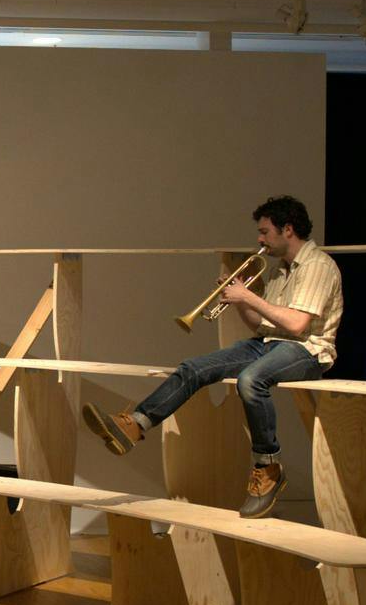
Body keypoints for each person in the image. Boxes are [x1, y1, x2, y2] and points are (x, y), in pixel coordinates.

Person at [83, 195, 342, 520]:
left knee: (251, 380)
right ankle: (135, 424)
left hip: (307, 350)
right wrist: (240, 302)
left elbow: (297, 323)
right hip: (269, 343)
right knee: (194, 368)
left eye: (264, 232)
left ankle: (268, 466)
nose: (260, 240)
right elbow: (262, 324)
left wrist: (247, 294)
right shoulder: (281, 270)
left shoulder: (317, 265)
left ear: (287, 229)